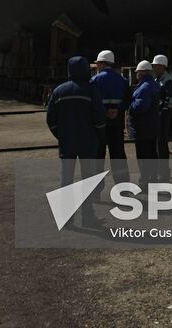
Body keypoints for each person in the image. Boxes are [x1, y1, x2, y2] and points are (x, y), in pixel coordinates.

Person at [46, 55, 107, 227]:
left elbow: (51, 119)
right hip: (88, 144)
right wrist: (98, 135)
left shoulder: (59, 91)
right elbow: (99, 117)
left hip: (67, 144)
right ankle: (87, 217)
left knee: (66, 180)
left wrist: (62, 135)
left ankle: (66, 218)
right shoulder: (91, 91)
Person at [90, 50, 130, 184]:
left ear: (101, 64)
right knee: (118, 155)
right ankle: (123, 186)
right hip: (117, 124)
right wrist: (117, 110)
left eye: (98, 64)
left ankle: (96, 190)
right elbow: (128, 100)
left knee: (98, 157)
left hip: (99, 125)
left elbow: (92, 102)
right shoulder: (123, 81)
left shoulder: (94, 80)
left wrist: (105, 111)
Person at [127, 60, 160, 192]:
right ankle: (153, 179)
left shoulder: (144, 87)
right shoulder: (153, 84)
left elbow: (141, 106)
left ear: (140, 73)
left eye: (137, 72)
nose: (136, 75)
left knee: (143, 155)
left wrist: (130, 106)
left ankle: (144, 182)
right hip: (151, 126)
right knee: (152, 154)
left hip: (142, 127)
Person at [152, 54, 172, 180]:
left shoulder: (168, 81)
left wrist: (162, 109)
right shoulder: (158, 80)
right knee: (158, 144)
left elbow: (171, 101)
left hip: (163, 116)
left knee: (161, 144)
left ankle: (164, 174)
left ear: (162, 66)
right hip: (158, 115)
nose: (154, 68)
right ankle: (160, 171)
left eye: (155, 66)